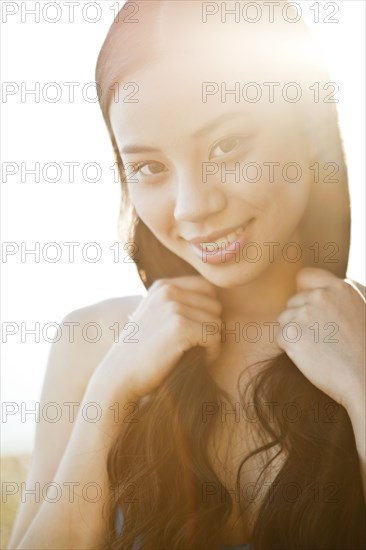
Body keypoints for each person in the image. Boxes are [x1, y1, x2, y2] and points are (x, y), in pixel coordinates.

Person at [8, 1, 365, 549]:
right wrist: (110, 392)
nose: (192, 207)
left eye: (227, 146)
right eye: (149, 167)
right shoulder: (92, 342)